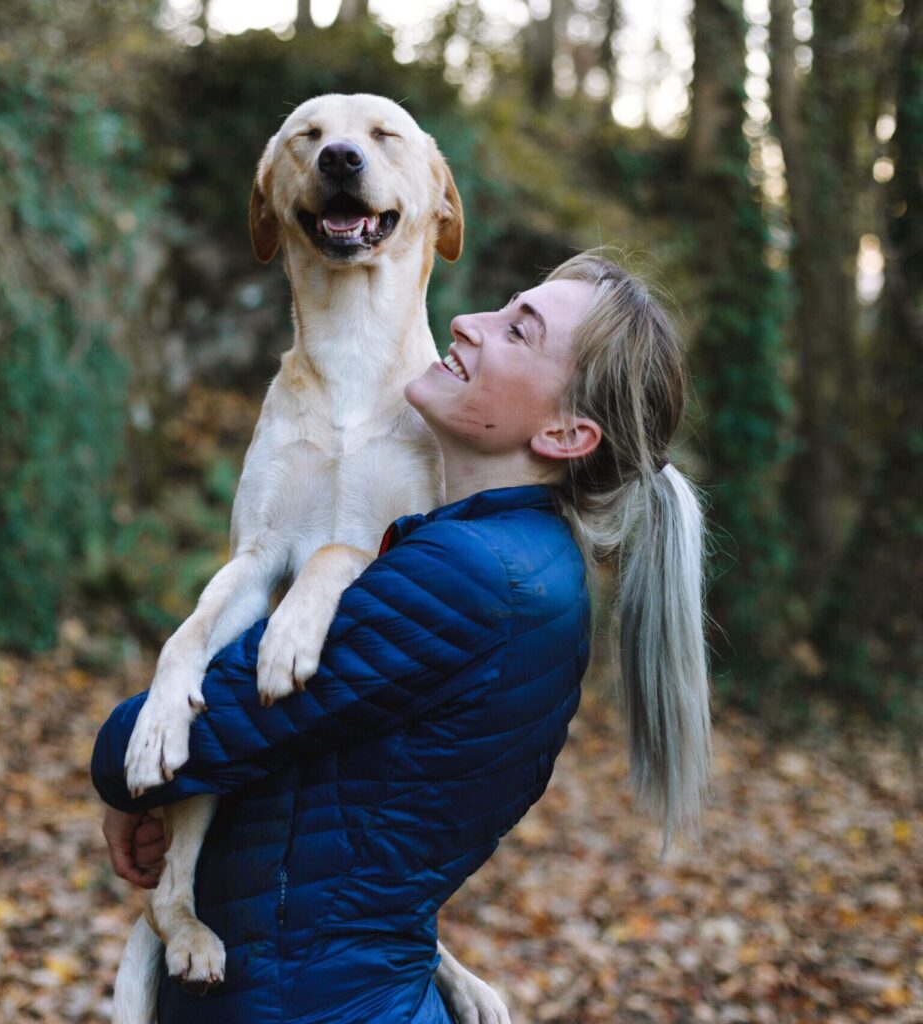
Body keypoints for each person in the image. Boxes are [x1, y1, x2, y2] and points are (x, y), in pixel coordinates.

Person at [92, 251, 712, 1023]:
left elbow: (197, 731)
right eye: (503, 304)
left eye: (517, 331)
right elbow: (355, 808)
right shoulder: (515, 561)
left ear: (563, 432)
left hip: (304, 1002)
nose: (466, 322)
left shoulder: (468, 576)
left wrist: (123, 770)